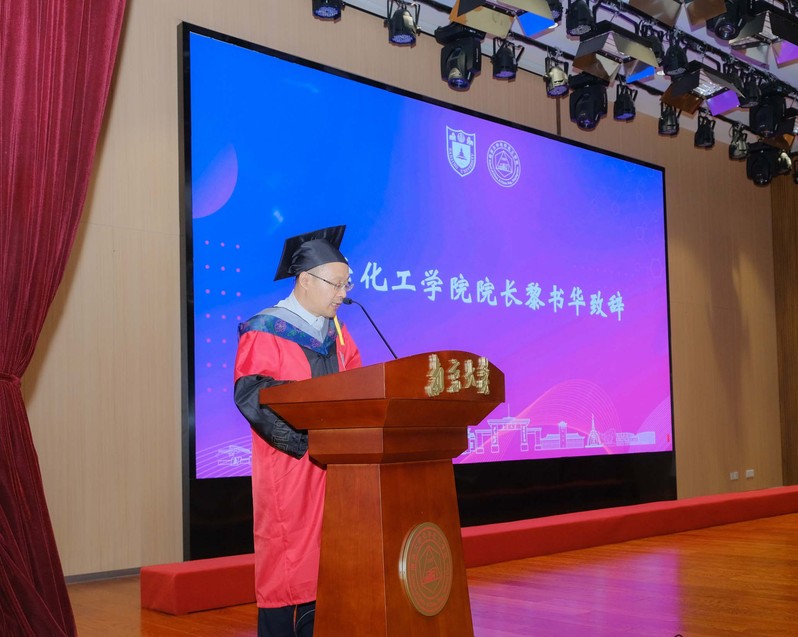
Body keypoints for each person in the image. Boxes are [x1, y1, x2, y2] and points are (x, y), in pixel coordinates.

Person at [234, 225, 362, 637]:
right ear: (306, 280)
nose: (343, 294)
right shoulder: (266, 329)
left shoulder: (339, 334)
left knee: (329, 560)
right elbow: (252, 394)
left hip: (334, 468)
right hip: (289, 467)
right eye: (336, 284)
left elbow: (357, 388)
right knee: (288, 561)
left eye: (347, 284)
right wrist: (307, 439)